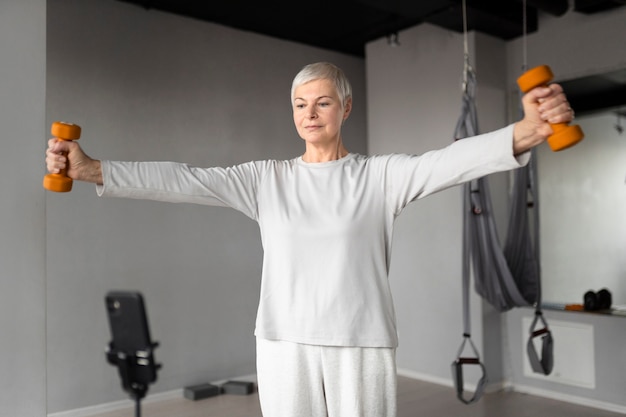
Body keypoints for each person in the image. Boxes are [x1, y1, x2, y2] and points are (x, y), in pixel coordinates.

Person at [45, 62, 576, 417]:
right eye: (301, 104)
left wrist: (529, 129)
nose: (310, 114)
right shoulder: (265, 180)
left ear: (345, 109)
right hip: (282, 339)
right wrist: (94, 169)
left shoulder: (379, 176)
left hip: (360, 339)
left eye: (322, 103)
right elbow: (184, 179)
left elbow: (448, 163)